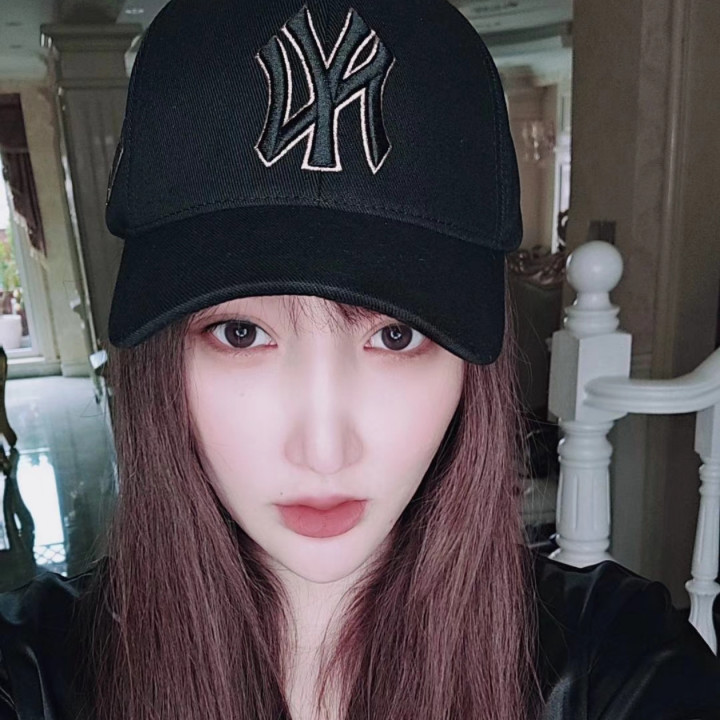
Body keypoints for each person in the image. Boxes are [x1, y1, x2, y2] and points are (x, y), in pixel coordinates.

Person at [1, 0, 720, 718]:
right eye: (242, 334)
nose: (323, 450)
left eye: (397, 336)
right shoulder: (37, 671)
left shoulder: (617, 662)